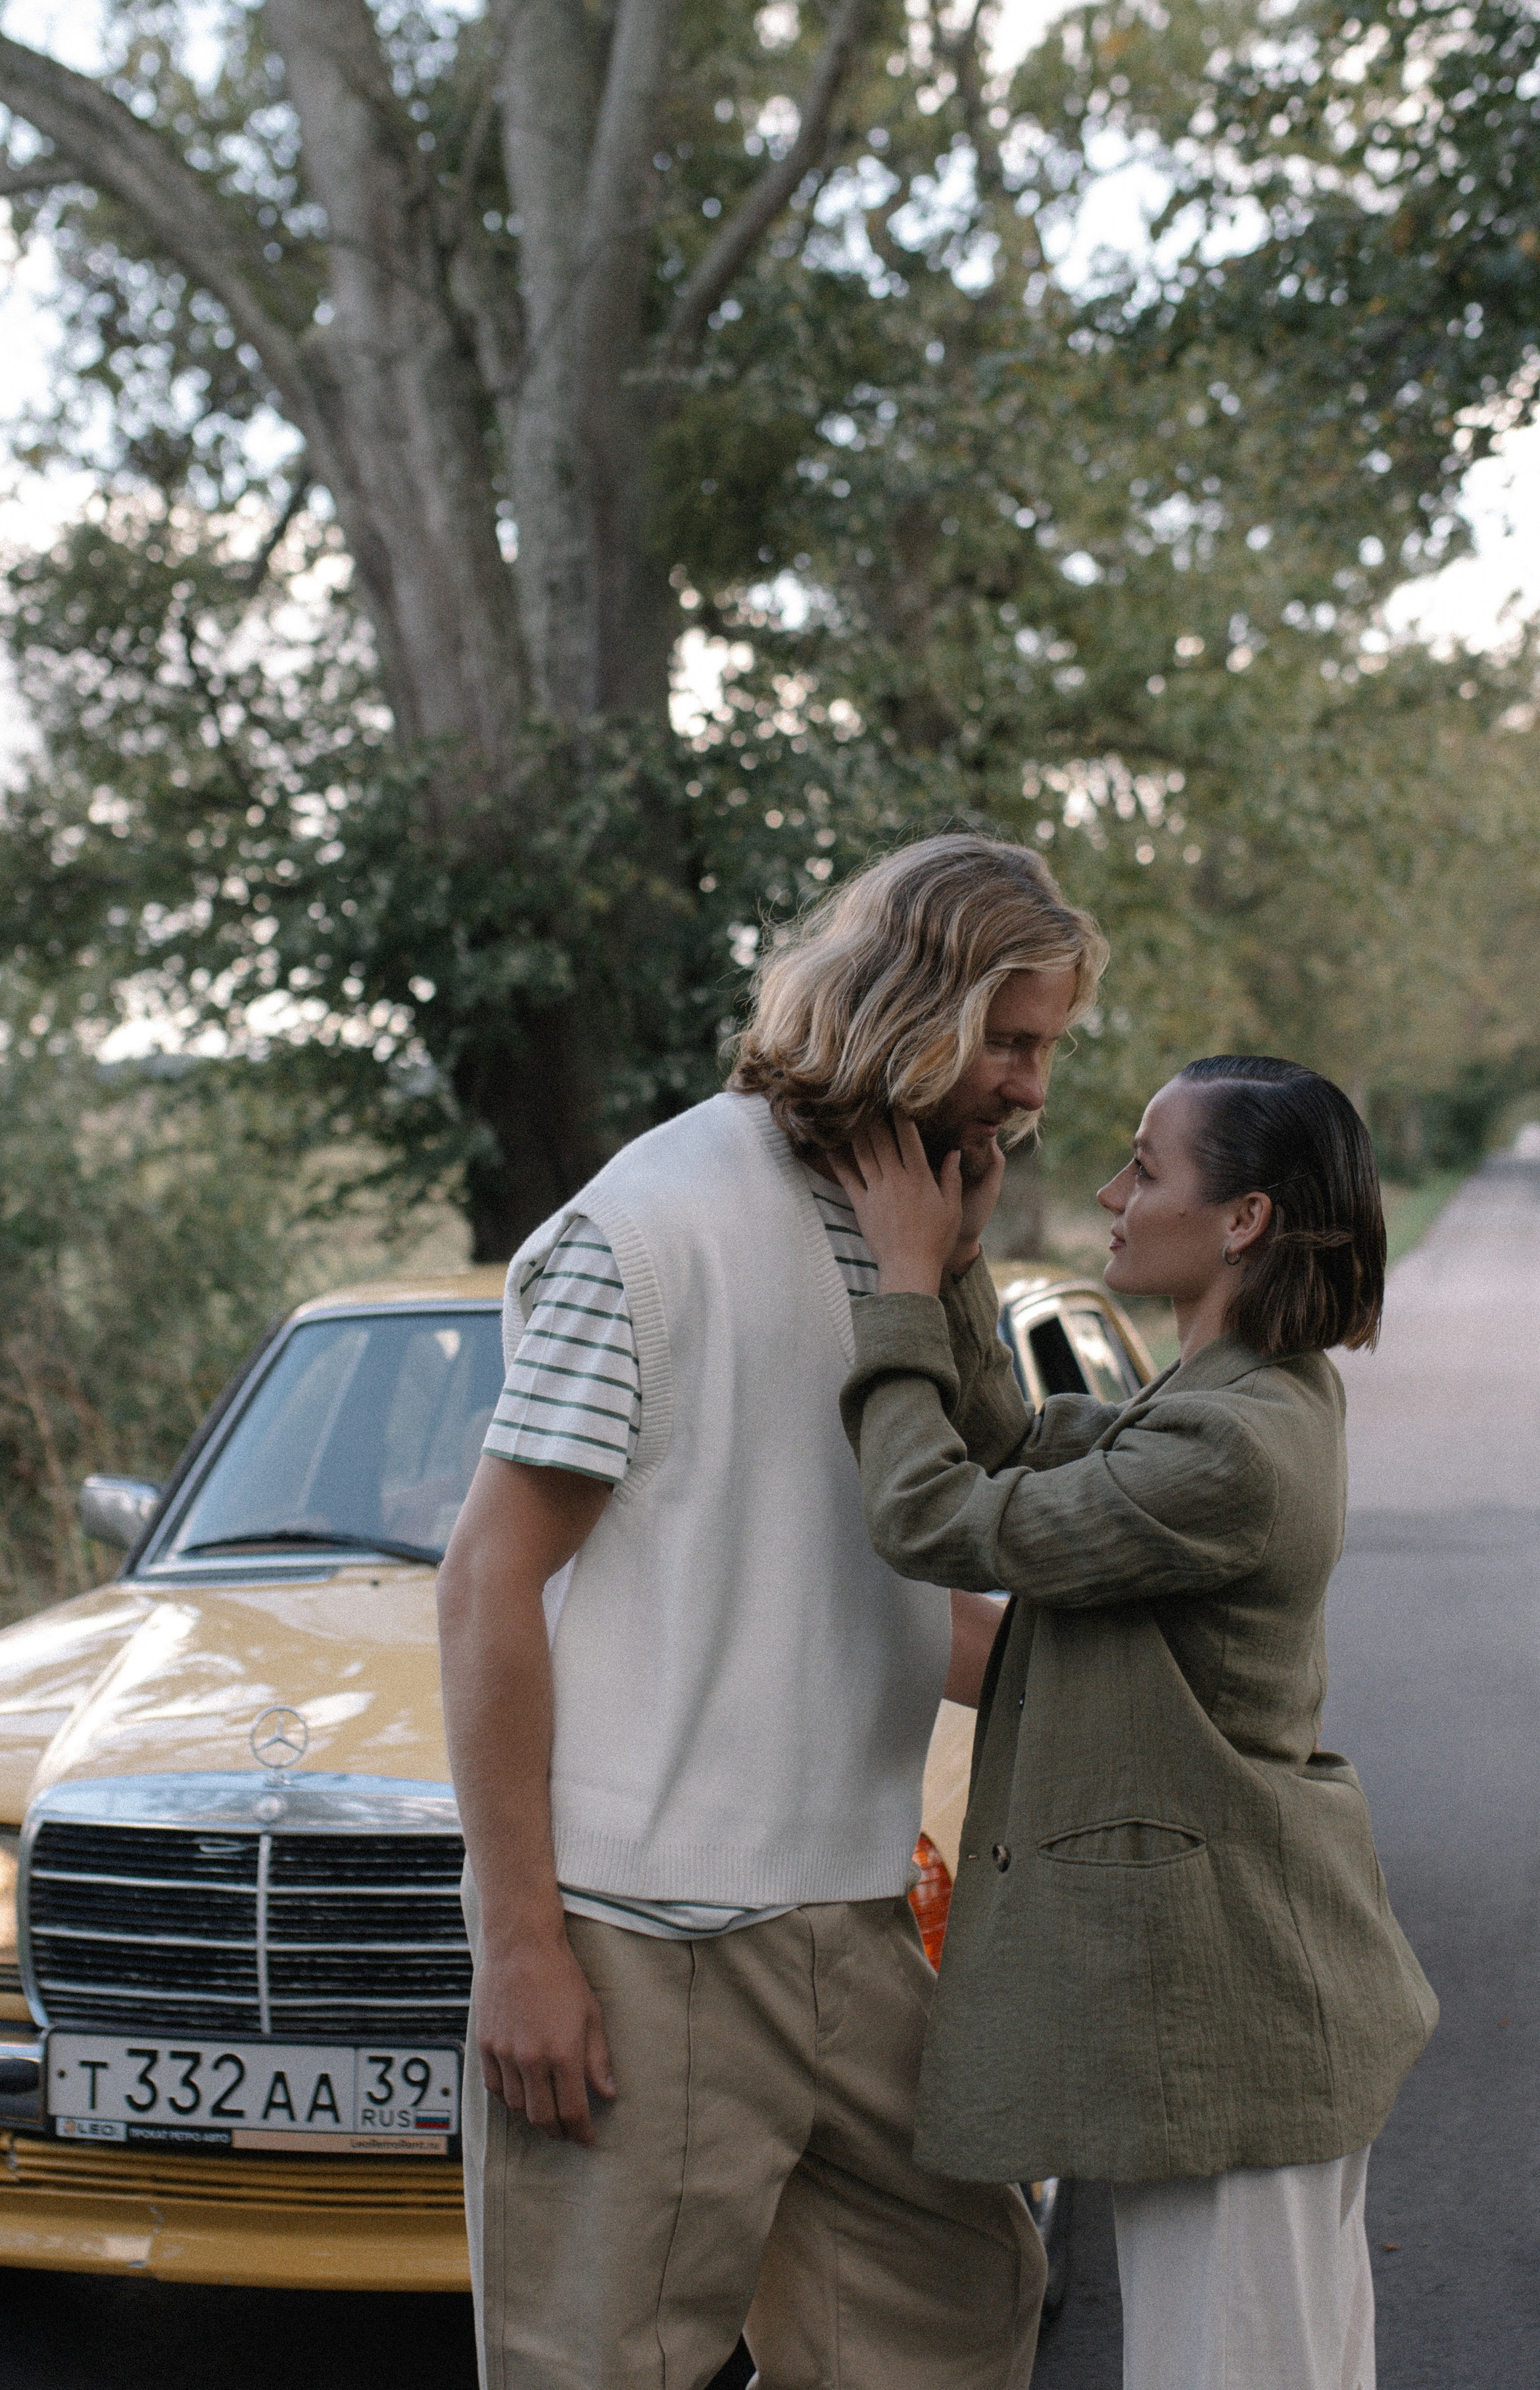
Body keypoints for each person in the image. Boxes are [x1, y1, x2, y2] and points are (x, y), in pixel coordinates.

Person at [437, 834, 1107, 2390]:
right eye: (1009, 1043)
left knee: (957, 2314)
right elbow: (486, 1581)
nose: (1028, 1088)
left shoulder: (900, 1241)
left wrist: (1164, 1705)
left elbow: (850, 1594)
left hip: (853, 1914)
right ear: (907, 1006)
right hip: (638, 1941)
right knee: (596, 2367)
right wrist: (518, 1940)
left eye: (1044, 1051)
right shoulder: (649, 1225)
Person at [832, 1055, 1439, 2390]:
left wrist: (892, 1286)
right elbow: (1013, 1437)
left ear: (1243, 1219)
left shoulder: (1229, 1447)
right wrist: (960, 1255)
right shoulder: (1227, 1398)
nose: (1110, 1191)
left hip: (1239, 2022)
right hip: (1233, 2012)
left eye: (1145, 1168)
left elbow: (930, 1516)